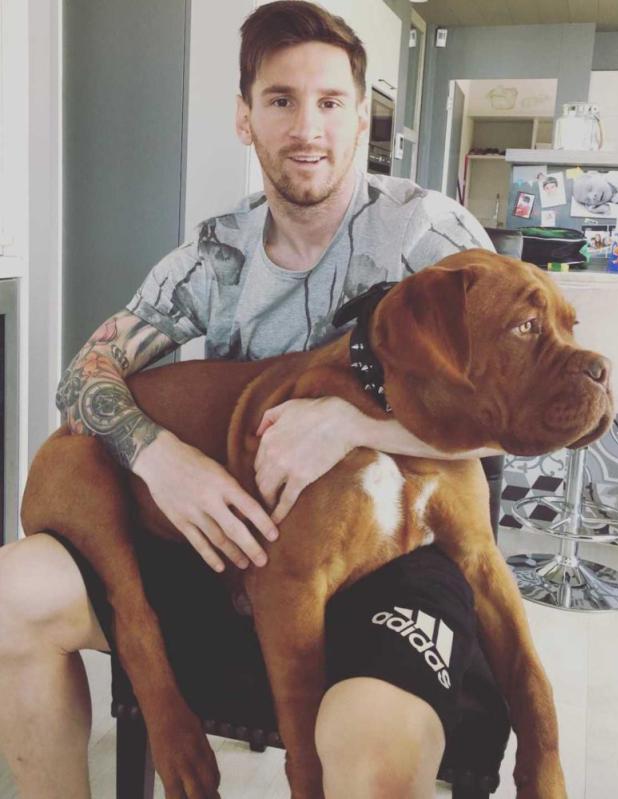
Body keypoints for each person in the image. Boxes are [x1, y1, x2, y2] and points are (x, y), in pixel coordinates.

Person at [0, 2, 502, 798]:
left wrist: (349, 425)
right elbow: (82, 377)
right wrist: (161, 458)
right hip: (247, 547)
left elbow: (518, 419)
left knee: (375, 748)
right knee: (11, 594)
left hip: (398, 549)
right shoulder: (217, 255)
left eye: (330, 102)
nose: (308, 128)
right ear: (245, 118)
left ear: (360, 118)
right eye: (281, 100)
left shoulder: (427, 238)